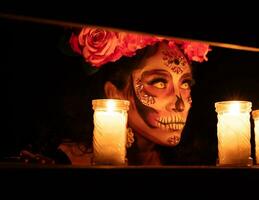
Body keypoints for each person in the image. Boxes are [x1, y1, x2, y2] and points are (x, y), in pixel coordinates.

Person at [21, 26, 210, 165]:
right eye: (159, 83)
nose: (180, 104)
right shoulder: (66, 161)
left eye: (185, 83)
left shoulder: (191, 161)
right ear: (115, 93)